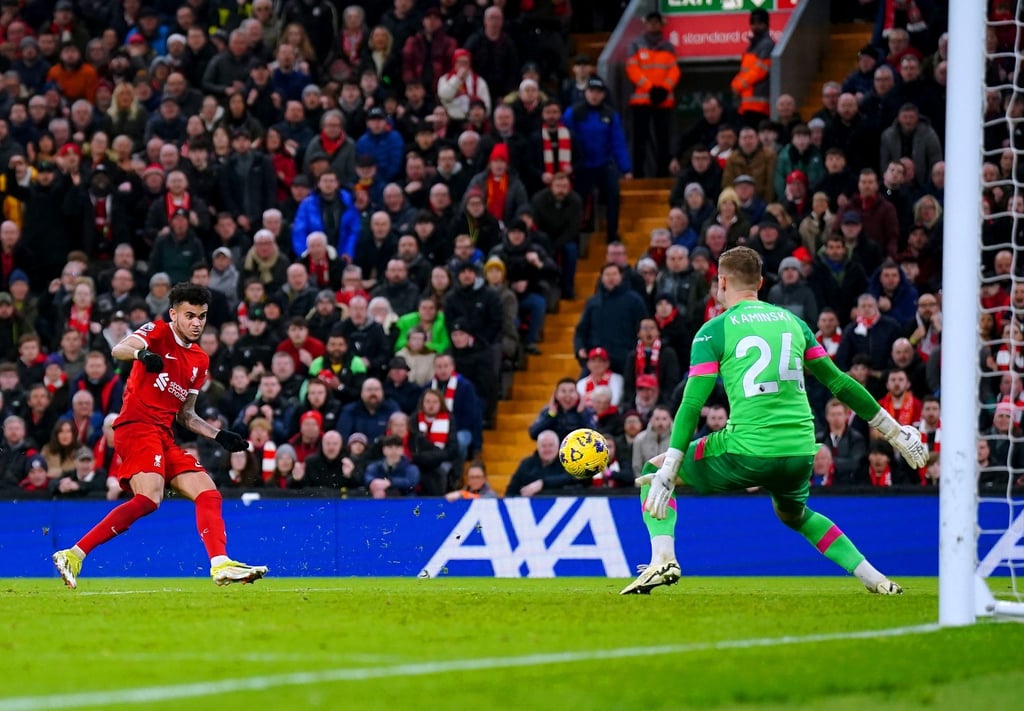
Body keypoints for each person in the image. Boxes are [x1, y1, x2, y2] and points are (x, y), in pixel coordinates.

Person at [622, 246, 927, 595]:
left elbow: (692, 403)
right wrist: (894, 431)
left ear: (722, 283)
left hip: (748, 449)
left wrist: (671, 465)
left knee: (653, 469)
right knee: (795, 514)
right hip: (800, 451)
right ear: (761, 283)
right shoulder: (794, 323)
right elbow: (839, 383)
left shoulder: (713, 330)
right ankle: (876, 579)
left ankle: (663, 560)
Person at [51, 283, 266, 590]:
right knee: (150, 497)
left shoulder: (200, 361)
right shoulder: (158, 331)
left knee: (208, 492)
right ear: (174, 314)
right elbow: (118, 349)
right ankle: (74, 554)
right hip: (136, 426)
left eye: (202, 316)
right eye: (189, 316)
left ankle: (220, 564)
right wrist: (141, 354)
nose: (196, 323)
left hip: (163, 435)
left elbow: (186, 415)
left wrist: (218, 435)